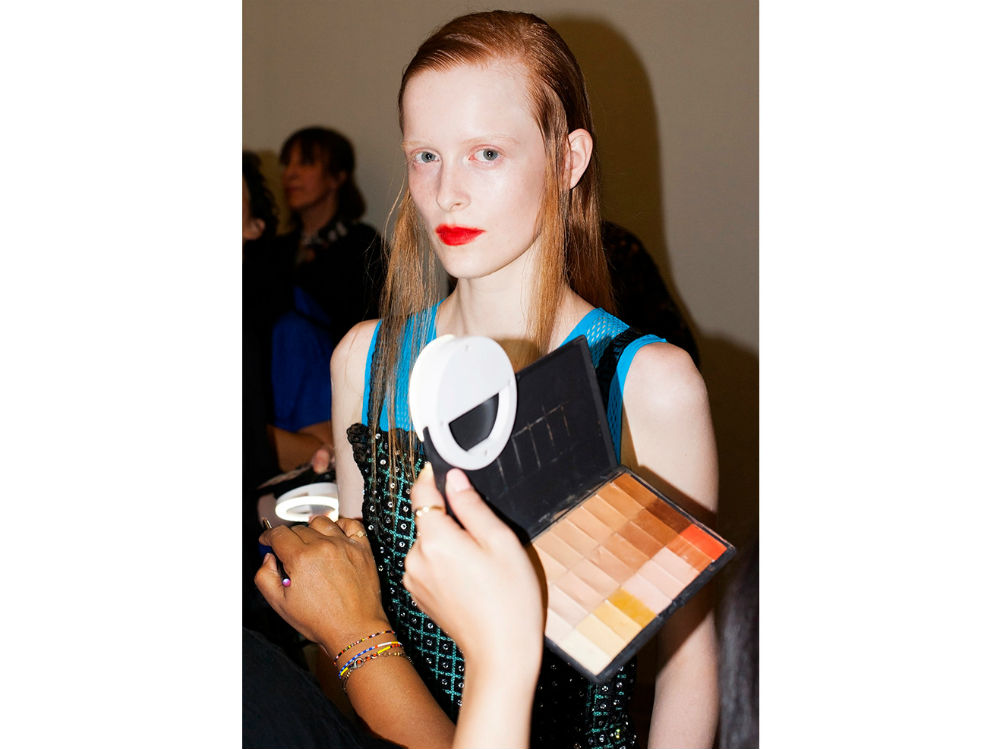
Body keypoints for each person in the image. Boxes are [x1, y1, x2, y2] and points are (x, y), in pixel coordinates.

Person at [263, 10, 719, 749]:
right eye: (426, 156)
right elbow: (352, 614)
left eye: (486, 154)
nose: (447, 193)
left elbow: (688, 663)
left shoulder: (645, 386)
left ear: (567, 159)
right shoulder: (366, 361)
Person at [245, 127, 387, 471]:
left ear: (337, 176)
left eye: (305, 163)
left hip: (338, 392)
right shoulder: (273, 249)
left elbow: (373, 333)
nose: (290, 174)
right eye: (287, 164)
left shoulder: (361, 244)